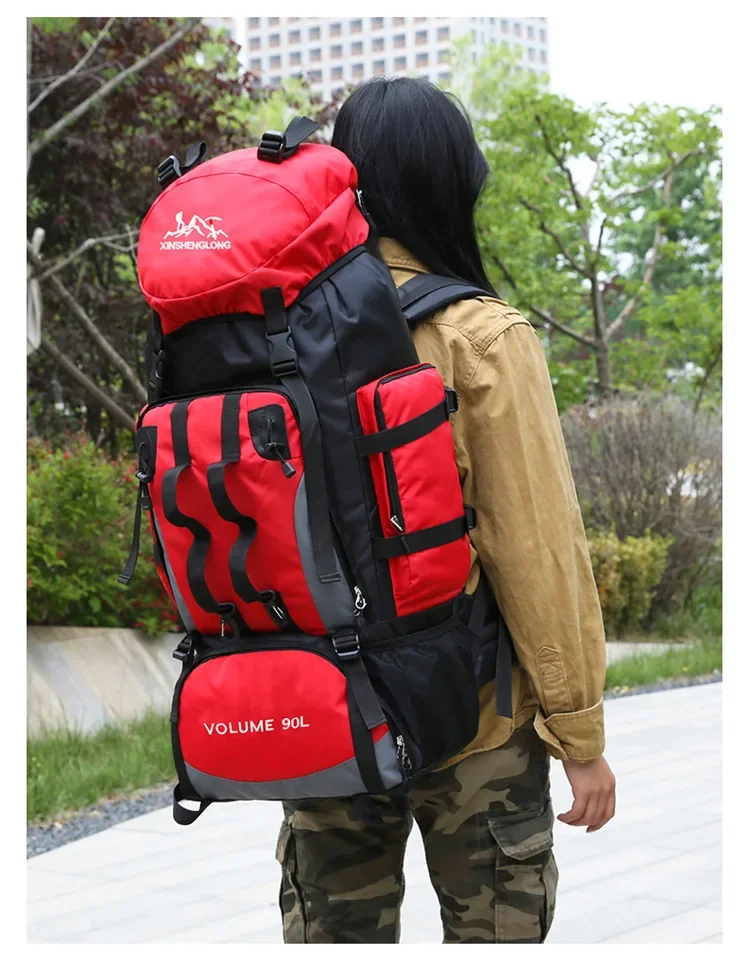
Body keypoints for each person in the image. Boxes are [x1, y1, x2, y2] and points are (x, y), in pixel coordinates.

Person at [275, 77, 616, 945]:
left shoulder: (271, 329)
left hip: (320, 710)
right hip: (474, 719)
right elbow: (535, 548)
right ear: (448, 182)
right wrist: (579, 733)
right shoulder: (480, 333)